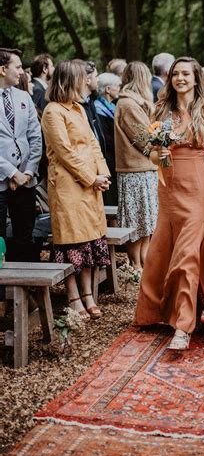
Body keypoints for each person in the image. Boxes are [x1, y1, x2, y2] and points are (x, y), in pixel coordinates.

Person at [134, 56, 204, 350]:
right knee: (169, 247)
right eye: (176, 74)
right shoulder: (161, 110)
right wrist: (160, 155)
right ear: (170, 79)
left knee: (187, 254)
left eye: (186, 74)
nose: (180, 78)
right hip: (169, 186)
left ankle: (183, 326)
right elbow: (152, 154)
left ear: (196, 79)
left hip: (197, 186)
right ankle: (159, 310)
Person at [41, 60, 111, 320]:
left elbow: (93, 144)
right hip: (69, 186)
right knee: (72, 242)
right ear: (69, 81)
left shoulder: (79, 109)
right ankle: (73, 297)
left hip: (91, 184)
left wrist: (102, 174)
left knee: (91, 240)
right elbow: (64, 153)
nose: (86, 83)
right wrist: (90, 177)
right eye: (82, 79)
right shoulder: (52, 111)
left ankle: (89, 294)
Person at [114, 61, 158, 270]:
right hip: (134, 170)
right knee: (136, 221)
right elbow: (144, 139)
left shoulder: (137, 104)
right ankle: (136, 265)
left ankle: (145, 262)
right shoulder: (128, 105)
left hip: (145, 169)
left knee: (147, 220)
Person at [0, 48, 42, 263]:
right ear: (2, 69)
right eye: (17, 67)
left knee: (24, 236)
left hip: (26, 180)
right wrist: (11, 173)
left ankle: (27, 290)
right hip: (1, 179)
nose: (21, 72)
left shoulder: (23, 96)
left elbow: (35, 137)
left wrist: (26, 172)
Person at [95, 72, 121, 206]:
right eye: (117, 86)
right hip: (108, 160)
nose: (119, 89)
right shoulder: (98, 109)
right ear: (108, 89)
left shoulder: (112, 107)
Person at [80, 61, 107, 159]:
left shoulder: (90, 102)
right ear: (87, 80)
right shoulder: (79, 106)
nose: (98, 79)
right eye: (96, 76)